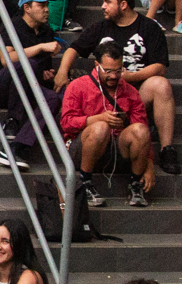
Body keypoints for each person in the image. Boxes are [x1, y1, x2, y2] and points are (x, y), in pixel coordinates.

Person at [54, 0, 182, 175]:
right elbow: (74, 48)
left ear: (123, 4)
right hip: (106, 93)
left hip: (137, 89)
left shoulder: (149, 27)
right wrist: (62, 71)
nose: (103, 6)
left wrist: (130, 77)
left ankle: (167, 149)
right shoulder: (100, 27)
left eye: (108, 2)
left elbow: (160, 66)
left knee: (161, 84)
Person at [61, 39, 156, 208]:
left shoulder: (130, 91)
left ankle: (135, 185)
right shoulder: (77, 86)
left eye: (118, 71)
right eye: (108, 71)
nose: (113, 76)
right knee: (100, 127)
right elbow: (67, 123)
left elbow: (142, 127)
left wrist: (149, 165)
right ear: (97, 65)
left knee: (141, 130)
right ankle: (86, 182)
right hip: (81, 148)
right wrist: (98, 119)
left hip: (116, 148)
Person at [0, 0, 62, 167]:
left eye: (47, 5)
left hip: (26, 89)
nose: (46, 9)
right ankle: (13, 121)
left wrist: (48, 74)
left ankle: (17, 148)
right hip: (2, 85)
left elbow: (42, 70)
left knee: (53, 98)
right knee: (28, 64)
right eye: (41, 4)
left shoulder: (46, 32)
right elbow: (7, 60)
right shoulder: (11, 25)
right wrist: (40, 48)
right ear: (27, 8)